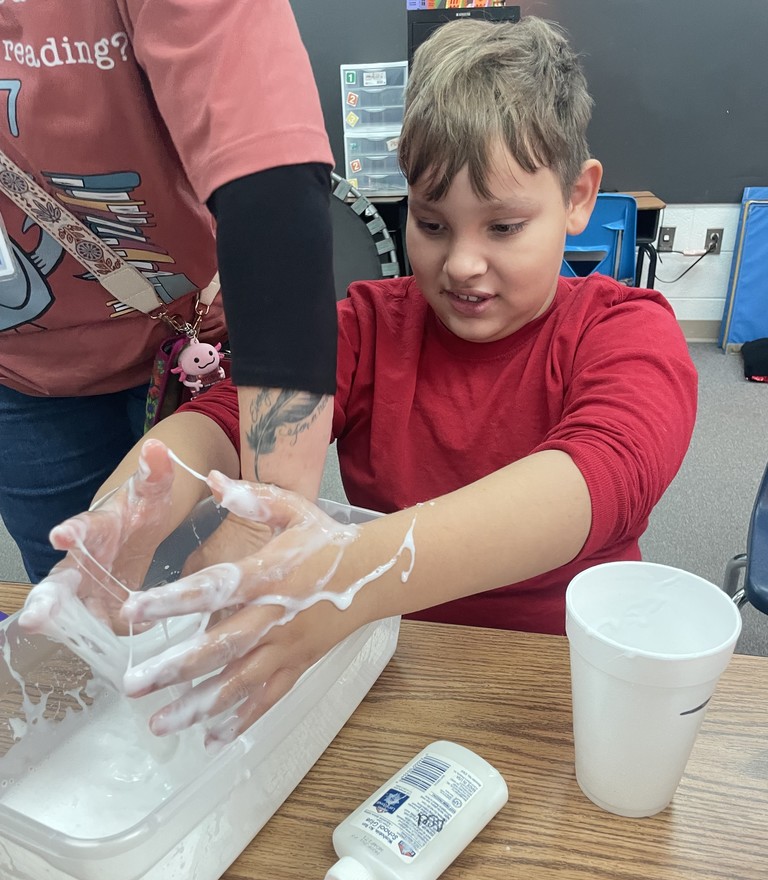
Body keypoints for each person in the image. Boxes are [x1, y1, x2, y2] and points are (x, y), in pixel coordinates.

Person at [21, 16, 698, 749]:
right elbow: (222, 418)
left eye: (502, 228)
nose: (462, 263)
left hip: (559, 686)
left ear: (578, 197)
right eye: (433, 225)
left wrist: (343, 576)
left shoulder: (630, 332)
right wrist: (135, 502)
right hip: (389, 665)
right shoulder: (370, 325)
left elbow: (595, 477)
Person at [0, 0, 337, 583]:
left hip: (192, 343)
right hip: (27, 378)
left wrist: (267, 518)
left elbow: (272, 184)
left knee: (211, 576)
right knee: (73, 598)